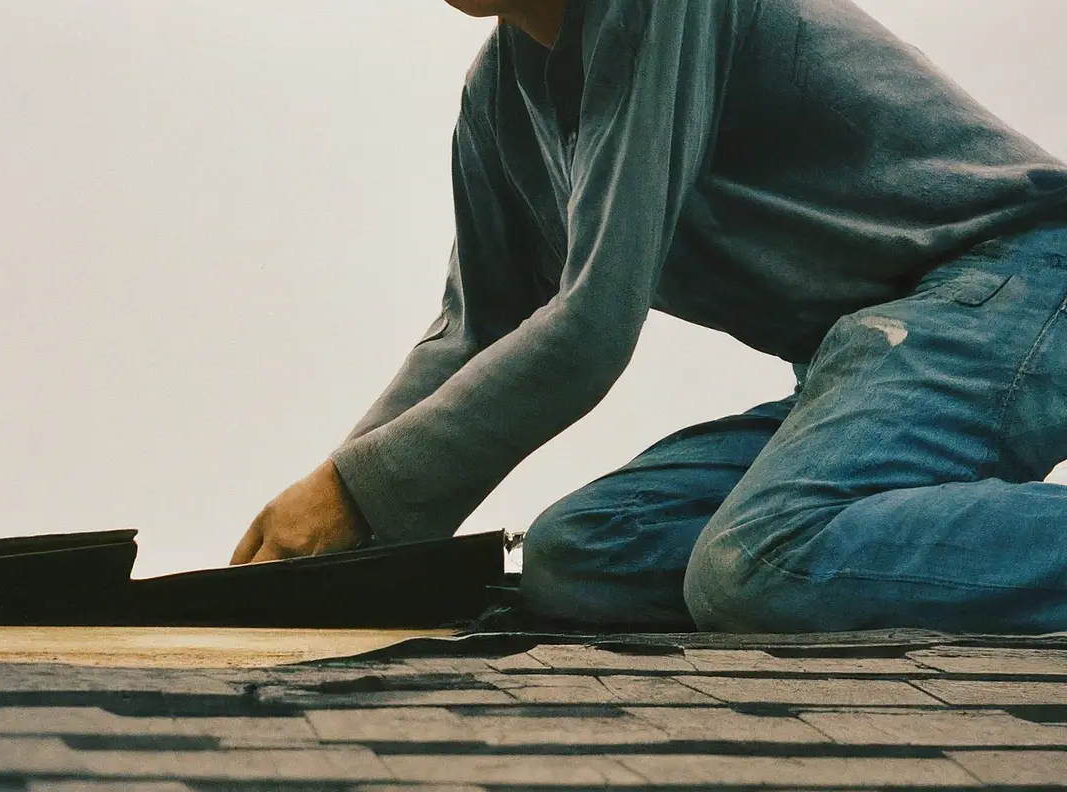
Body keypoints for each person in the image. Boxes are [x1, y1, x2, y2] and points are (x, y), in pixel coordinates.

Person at [232, 0, 1067, 633]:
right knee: (583, 554)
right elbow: (472, 332)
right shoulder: (498, 104)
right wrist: (353, 531)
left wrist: (354, 491)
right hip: (867, 359)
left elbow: (591, 326)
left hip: (1020, 284)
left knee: (759, 563)